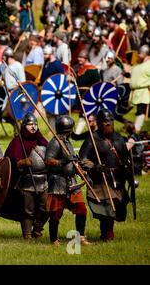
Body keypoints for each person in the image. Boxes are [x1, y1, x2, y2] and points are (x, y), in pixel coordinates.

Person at [79, 109, 133, 241]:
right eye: (105, 122)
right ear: (99, 123)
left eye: (110, 121)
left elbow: (126, 159)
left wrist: (128, 173)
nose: (108, 124)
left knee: (119, 207)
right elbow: (83, 159)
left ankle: (108, 231)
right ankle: (107, 233)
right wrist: (95, 167)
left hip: (118, 180)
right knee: (107, 207)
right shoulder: (92, 139)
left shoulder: (119, 138)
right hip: (101, 179)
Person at [45, 115, 92, 246]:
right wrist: (63, 161)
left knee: (81, 209)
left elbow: (73, 163)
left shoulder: (67, 142)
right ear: (69, 130)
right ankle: (54, 240)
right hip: (58, 182)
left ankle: (80, 237)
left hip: (71, 182)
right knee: (55, 213)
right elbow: (48, 161)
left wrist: (84, 174)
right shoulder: (55, 143)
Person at [4, 112, 48, 240]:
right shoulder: (18, 142)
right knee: (28, 210)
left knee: (46, 207)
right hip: (25, 180)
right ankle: (27, 235)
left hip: (42, 181)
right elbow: (11, 161)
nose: (33, 127)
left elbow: (50, 153)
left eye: (35, 124)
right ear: (24, 127)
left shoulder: (40, 139)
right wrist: (22, 162)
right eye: (30, 124)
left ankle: (38, 230)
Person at [130, 45, 150, 132]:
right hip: (137, 93)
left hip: (145, 93)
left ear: (145, 54)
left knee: (141, 112)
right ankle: (135, 130)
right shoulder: (138, 64)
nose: (137, 55)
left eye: (140, 53)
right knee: (140, 111)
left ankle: (136, 131)